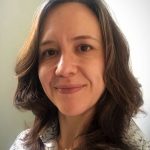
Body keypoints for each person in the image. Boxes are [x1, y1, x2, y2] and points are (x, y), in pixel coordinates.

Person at [10, 0, 150, 149]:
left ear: (111, 59)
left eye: (84, 48)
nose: (63, 69)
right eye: (50, 52)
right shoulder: (23, 143)